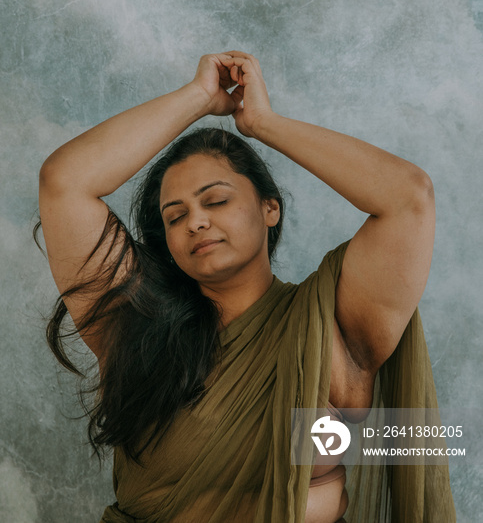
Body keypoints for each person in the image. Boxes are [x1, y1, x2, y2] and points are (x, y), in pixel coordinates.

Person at [37, 51, 455, 522]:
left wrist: (261, 123)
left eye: (215, 200)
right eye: (175, 216)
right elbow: (64, 183)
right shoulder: (134, 325)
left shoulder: (335, 325)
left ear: (269, 209)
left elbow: (408, 197)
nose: (196, 221)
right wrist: (197, 97)